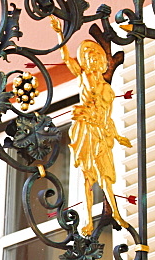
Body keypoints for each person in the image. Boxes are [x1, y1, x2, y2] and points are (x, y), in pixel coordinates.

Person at [51, 16, 131, 234]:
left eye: (95, 57)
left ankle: (115, 212)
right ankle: (87, 219)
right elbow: (67, 59)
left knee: (105, 175)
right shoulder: (84, 75)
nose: (93, 61)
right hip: (85, 129)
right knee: (88, 177)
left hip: (99, 130)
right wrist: (60, 34)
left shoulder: (104, 84)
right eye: (89, 57)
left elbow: (106, 116)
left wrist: (116, 136)